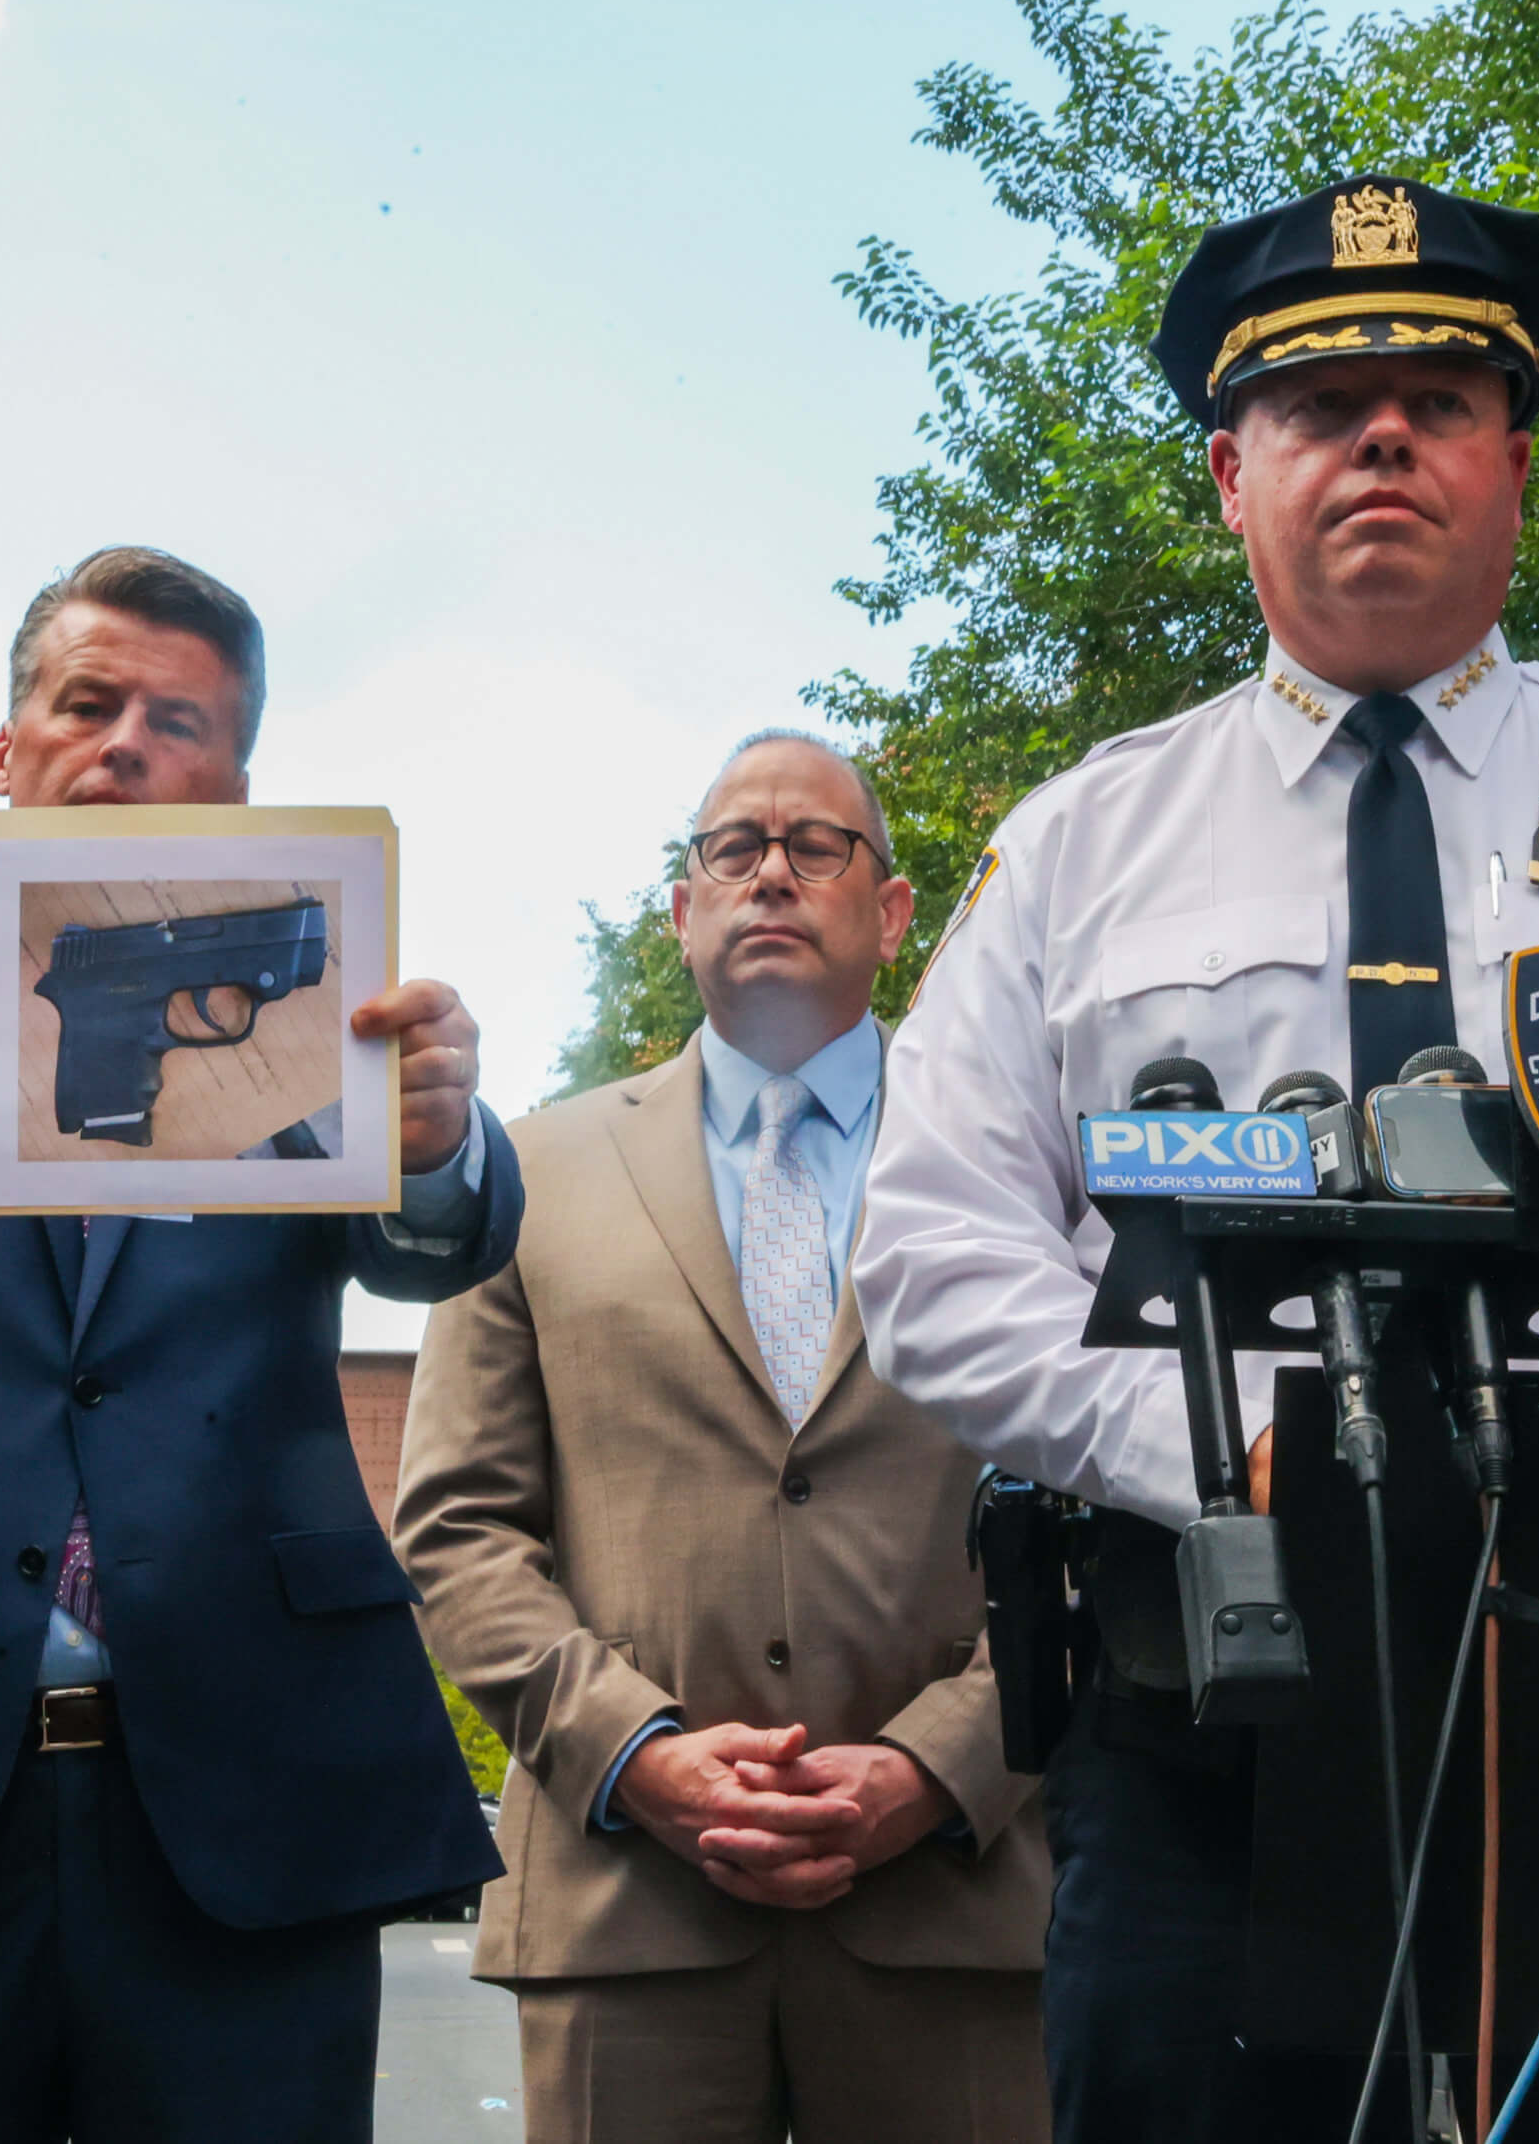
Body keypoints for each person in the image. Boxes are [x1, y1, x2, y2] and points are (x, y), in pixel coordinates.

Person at [851, 177, 1539, 2141]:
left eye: (1437, 397)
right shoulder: (1085, 840)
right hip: (1221, 1685)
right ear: (1228, 472)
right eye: (1316, 404)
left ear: (1515, 465)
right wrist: (1216, 1433)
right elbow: (938, 1253)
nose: (1379, 434)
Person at [0, 545, 522, 2144]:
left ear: (241, 782)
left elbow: (445, 1245)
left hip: (247, 1793)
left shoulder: (326, 1026)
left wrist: (438, 1138)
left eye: (179, 720)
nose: (127, 742)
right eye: (88, 701)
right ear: (2, 754)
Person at [395, 730, 1050, 2144]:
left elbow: (1106, 1503)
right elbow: (456, 1530)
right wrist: (641, 1755)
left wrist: (943, 1765)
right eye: (730, 850)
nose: (770, 874)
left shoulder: (1020, 1164)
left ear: (892, 914)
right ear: (682, 914)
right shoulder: (525, 1172)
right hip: (626, 1912)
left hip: (956, 1902)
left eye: (818, 847)